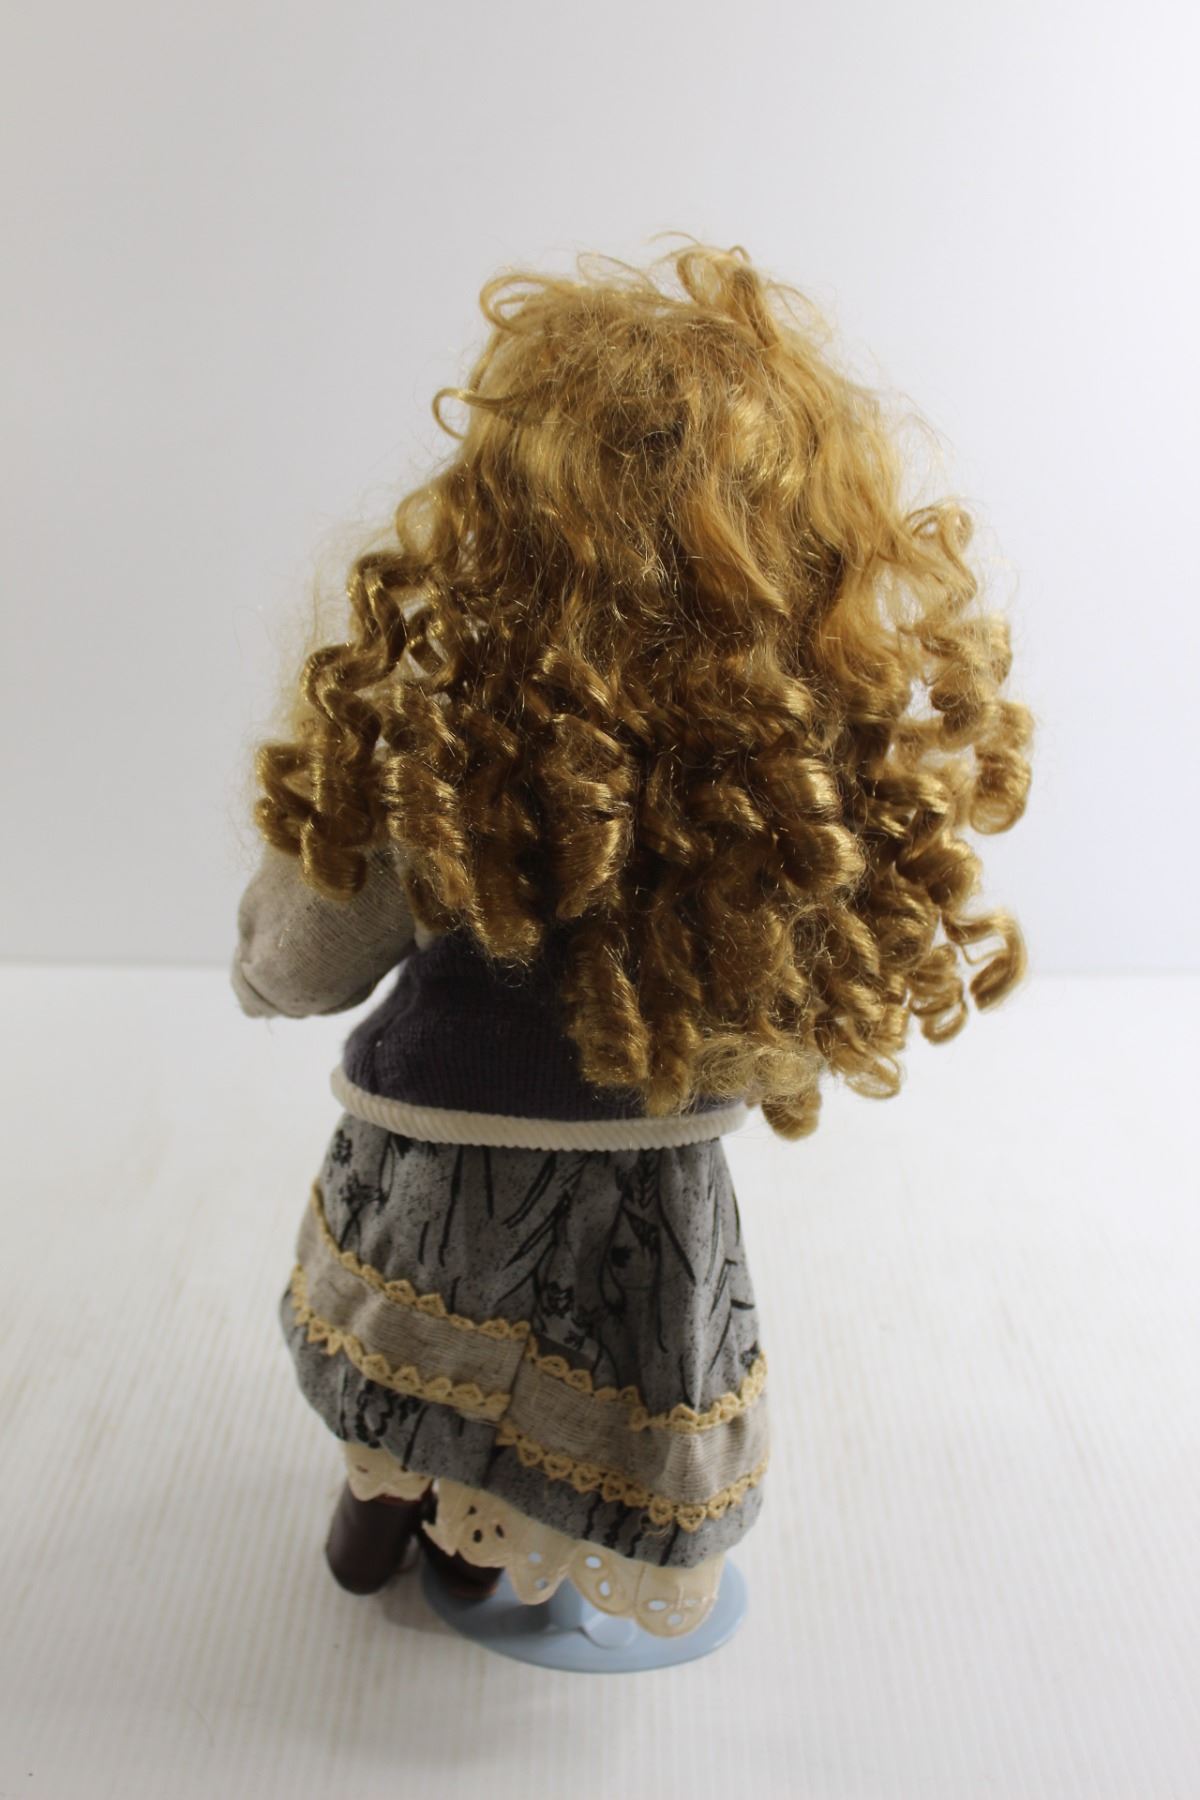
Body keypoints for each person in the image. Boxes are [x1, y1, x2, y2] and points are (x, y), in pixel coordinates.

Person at [231, 237, 1034, 1639]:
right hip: (645, 1191)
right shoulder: (783, 774)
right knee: (585, 1393)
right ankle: (475, 1557)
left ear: (509, 506)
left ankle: (380, 1537)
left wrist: (263, 970)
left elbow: (311, 940)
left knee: (409, 1376)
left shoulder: (445, 729)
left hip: (446, 1151)